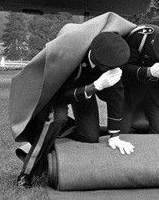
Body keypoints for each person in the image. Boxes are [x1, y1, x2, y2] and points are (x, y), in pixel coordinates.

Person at [11, 24, 135, 188]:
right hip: (57, 92)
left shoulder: (112, 60)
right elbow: (57, 94)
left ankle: (50, 138)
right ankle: (26, 173)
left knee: (90, 137)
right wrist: (95, 86)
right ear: (99, 62)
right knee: (56, 120)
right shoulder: (69, 57)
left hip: (85, 91)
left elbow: (117, 98)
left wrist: (114, 136)